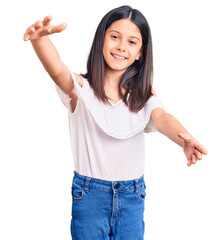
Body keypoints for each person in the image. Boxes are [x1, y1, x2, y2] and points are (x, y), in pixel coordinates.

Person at [23, 5, 208, 240]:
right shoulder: (80, 89)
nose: (121, 46)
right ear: (102, 39)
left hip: (132, 196)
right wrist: (40, 40)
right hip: (89, 196)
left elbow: (161, 117)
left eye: (132, 42)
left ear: (141, 52)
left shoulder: (142, 95)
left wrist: (184, 138)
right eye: (115, 37)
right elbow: (57, 69)